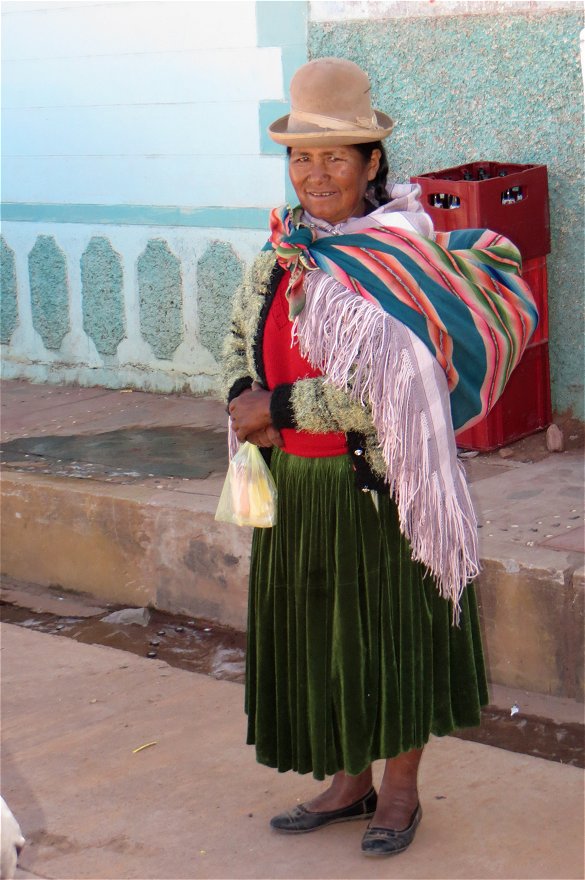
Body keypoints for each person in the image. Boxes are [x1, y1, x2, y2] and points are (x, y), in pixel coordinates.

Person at [221, 58, 537, 857]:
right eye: (301, 157)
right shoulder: (280, 254)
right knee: (321, 639)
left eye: (335, 157)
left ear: (371, 165)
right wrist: (239, 391)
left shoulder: (397, 256)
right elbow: (238, 336)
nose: (314, 173)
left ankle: (399, 791)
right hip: (298, 485)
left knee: (391, 638)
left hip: (380, 487)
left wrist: (277, 409)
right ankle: (349, 779)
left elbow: (399, 388)